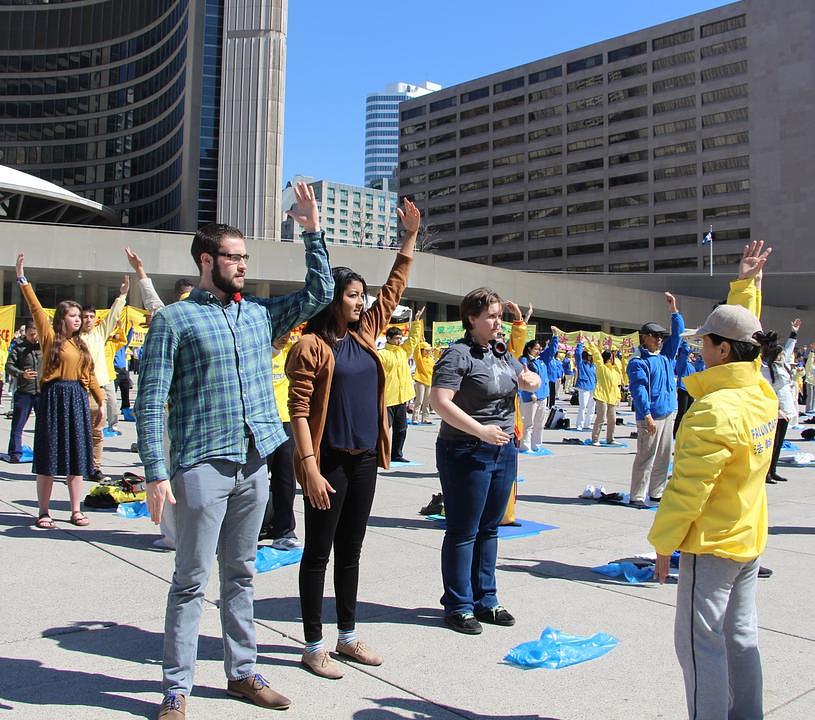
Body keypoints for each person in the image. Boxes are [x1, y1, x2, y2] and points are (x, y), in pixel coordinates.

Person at [135, 181, 333, 718]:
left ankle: (242, 672)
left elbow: (319, 294)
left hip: (256, 460)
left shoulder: (260, 314)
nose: (243, 265)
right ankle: (176, 689)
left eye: (245, 257)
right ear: (207, 260)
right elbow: (151, 403)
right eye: (234, 257)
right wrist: (156, 471)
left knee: (241, 573)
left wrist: (312, 231)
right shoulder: (174, 320)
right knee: (191, 579)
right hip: (202, 463)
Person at [285, 199, 420, 679]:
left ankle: (346, 636)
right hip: (328, 460)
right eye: (351, 295)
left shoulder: (365, 336)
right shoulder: (310, 345)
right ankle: (313, 643)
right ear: (333, 298)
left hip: (364, 459)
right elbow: (297, 410)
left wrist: (408, 239)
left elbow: (395, 288)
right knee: (317, 552)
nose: (360, 302)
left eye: (362, 296)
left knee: (352, 549)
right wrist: (310, 468)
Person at [649, 240, 775, 720]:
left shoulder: (714, 411)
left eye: (705, 341)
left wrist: (664, 545)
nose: (699, 348)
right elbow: (749, 341)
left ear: (722, 351)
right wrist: (747, 285)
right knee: (741, 638)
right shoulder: (758, 390)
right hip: (747, 535)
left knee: (701, 648)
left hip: (713, 543)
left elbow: (687, 489)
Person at [430, 289, 539, 634]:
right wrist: (479, 430)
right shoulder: (458, 356)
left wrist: (529, 380)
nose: (497, 322)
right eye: (491, 316)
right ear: (471, 319)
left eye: (499, 316)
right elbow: (439, 401)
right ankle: (458, 605)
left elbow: (525, 380)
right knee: (463, 530)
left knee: (490, 528)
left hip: (502, 449)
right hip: (465, 449)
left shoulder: (503, 354)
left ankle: (486, 599)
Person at [16, 253, 105, 529]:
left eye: (80, 316)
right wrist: (22, 278)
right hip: (54, 397)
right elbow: (35, 308)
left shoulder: (81, 345)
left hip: (77, 398)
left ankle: (75, 510)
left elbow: (89, 376)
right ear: (61, 318)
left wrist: (101, 403)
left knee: (78, 457)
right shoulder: (50, 337)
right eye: (73, 315)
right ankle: (44, 511)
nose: (78, 319)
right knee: (48, 456)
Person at [626, 293, 684, 508]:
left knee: (663, 457)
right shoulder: (638, 362)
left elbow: (677, 336)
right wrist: (647, 415)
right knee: (645, 457)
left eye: (661, 336)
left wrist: (674, 311)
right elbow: (639, 390)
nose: (660, 339)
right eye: (655, 336)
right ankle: (637, 496)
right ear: (645, 337)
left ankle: (657, 492)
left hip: (668, 413)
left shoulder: (665, 356)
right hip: (650, 416)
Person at [258, 331, 301, 550]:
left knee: (285, 480)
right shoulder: (256, 353)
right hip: (260, 423)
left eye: (288, 332)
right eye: (280, 333)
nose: (285, 337)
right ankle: (248, 529)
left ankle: (285, 530)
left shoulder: (291, 353)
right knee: (254, 482)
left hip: (285, 422)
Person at [380, 307, 424, 462]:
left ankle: (397, 454)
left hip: (402, 397)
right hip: (387, 398)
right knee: (385, 429)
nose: (399, 341)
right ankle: (378, 453)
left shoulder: (403, 351)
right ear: (389, 338)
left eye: (400, 338)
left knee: (402, 429)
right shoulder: (382, 354)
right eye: (397, 338)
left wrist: (417, 322)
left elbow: (412, 340)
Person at [760, 319, 800, 484]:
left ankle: (773, 470)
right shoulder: (767, 369)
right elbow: (768, 390)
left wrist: (793, 333)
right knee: (772, 442)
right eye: (780, 354)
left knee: (779, 442)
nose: (783, 356)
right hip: (776, 409)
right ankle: (766, 472)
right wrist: (776, 408)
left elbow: (789, 350)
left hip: (786, 408)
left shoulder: (782, 365)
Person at [6, 324, 41, 463]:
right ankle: (15, 452)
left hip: (41, 392)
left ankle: (41, 452)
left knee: (43, 425)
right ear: (25, 333)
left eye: (36, 334)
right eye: (31, 334)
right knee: (18, 424)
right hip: (24, 391)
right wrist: (21, 374)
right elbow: (9, 366)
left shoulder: (45, 347)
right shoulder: (19, 348)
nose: (34, 337)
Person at [585, 339, 622, 446]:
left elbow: (616, 385)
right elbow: (596, 356)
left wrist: (618, 397)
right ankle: (595, 439)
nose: (613, 358)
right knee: (601, 418)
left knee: (612, 420)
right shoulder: (601, 367)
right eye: (611, 357)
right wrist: (591, 344)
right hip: (602, 396)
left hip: (613, 397)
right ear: (608, 358)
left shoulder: (614, 369)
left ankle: (610, 438)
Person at [411, 321, 436, 425]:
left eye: (429, 350)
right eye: (426, 350)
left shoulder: (431, 358)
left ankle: (425, 418)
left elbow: (437, 353)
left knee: (427, 402)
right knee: (419, 401)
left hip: (429, 382)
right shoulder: (419, 358)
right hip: (420, 381)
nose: (428, 351)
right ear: (422, 350)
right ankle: (415, 418)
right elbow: (416, 350)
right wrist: (420, 342)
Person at [673, 340, 696, 437]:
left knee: (688, 413)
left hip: (691, 390)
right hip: (683, 389)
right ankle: (676, 432)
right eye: (689, 353)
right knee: (681, 412)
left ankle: (684, 431)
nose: (691, 354)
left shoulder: (692, 365)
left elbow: (702, 365)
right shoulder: (682, 363)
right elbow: (684, 352)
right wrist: (686, 341)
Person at [573, 338, 597, 431]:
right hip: (584, 387)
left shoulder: (594, 365)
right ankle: (579, 424)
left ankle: (588, 423)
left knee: (592, 407)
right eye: (589, 355)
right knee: (583, 406)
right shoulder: (581, 363)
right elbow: (577, 354)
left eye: (591, 355)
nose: (590, 357)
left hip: (593, 387)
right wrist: (580, 343)